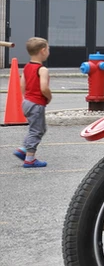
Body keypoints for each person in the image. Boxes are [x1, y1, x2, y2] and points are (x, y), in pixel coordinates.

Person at [14, 37, 51, 168]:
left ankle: (24, 149)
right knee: (36, 130)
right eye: (48, 49)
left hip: (27, 102)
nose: (48, 52)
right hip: (36, 104)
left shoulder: (27, 67)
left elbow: (22, 85)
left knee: (39, 128)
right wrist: (49, 97)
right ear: (43, 50)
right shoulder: (42, 69)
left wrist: (27, 98)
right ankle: (29, 158)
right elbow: (44, 88)